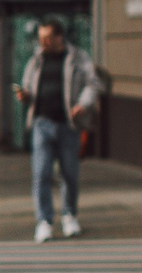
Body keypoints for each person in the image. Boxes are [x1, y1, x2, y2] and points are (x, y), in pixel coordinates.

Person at [16, 18, 102, 243]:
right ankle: (44, 221)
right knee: (41, 174)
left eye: (47, 38)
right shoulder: (36, 60)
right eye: (40, 38)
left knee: (70, 174)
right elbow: (26, 85)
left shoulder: (77, 58)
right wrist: (24, 95)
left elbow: (92, 84)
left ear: (59, 37)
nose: (42, 42)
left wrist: (82, 104)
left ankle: (69, 216)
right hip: (42, 124)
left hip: (68, 125)